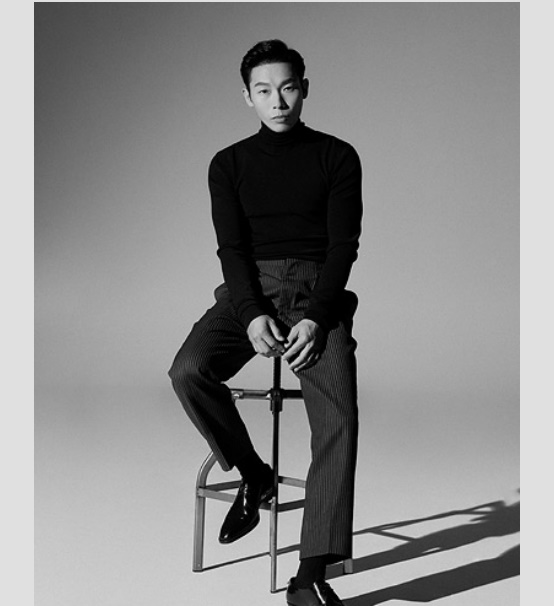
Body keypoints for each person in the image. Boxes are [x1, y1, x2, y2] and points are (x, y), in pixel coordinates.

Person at [168, 39, 362, 606]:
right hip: (248, 290)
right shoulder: (228, 164)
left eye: (287, 87)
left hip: (317, 295)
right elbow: (231, 249)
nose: (277, 101)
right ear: (247, 97)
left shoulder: (337, 156)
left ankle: (310, 574)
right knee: (189, 370)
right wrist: (251, 313)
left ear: (305, 88)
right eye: (263, 90)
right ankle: (255, 474)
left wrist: (317, 319)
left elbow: (343, 246)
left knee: (339, 417)